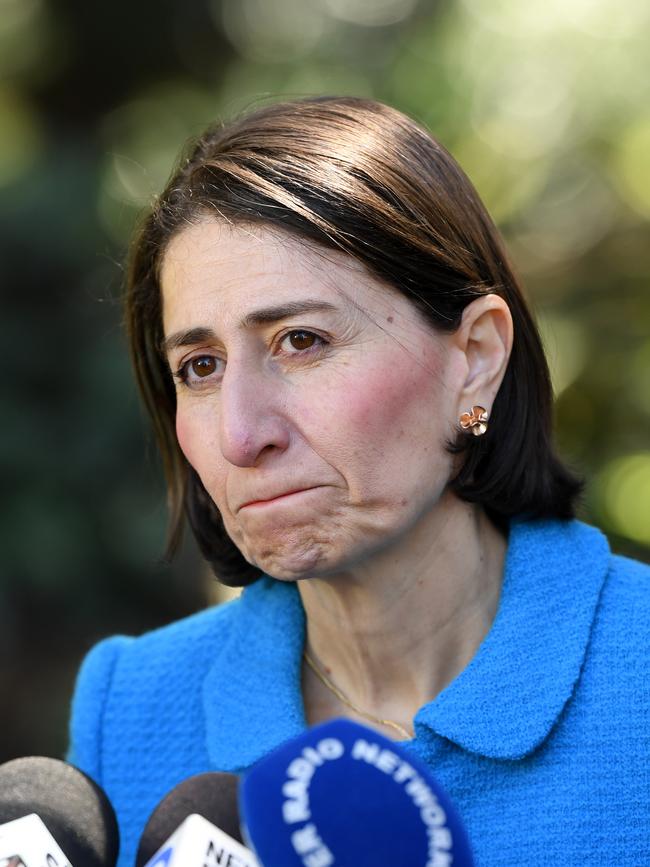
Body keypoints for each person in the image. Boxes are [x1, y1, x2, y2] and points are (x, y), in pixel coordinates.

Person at [67, 97, 650, 866]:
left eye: (301, 341)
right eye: (199, 367)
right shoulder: (133, 704)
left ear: (474, 357)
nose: (242, 434)